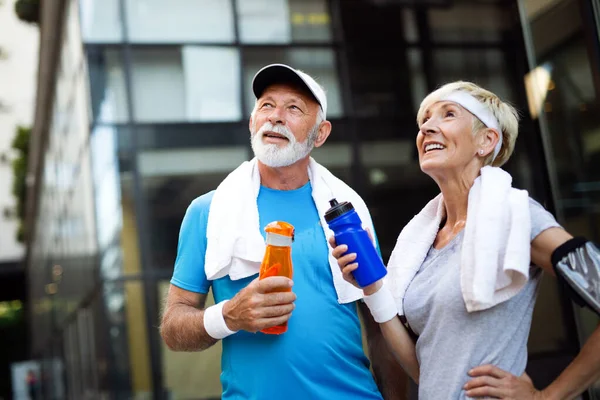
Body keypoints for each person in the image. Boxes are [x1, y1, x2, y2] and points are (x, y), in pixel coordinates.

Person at [332, 81, 600, 399]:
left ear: (486, 141)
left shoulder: (515, 215)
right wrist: (374, 289)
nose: (428, 127)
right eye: (425, 120)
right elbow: (427, 368)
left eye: (448, 114)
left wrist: (548, 396)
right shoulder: (420, 243)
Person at [160, 64, 406, 399]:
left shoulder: (348, 210)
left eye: (293, 108)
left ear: (319, 134)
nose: (276, 116)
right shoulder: (207, 212)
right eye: (266, 105)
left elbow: (380, 325)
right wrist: (228, 316)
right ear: (252, 122)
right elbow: (173, 329)